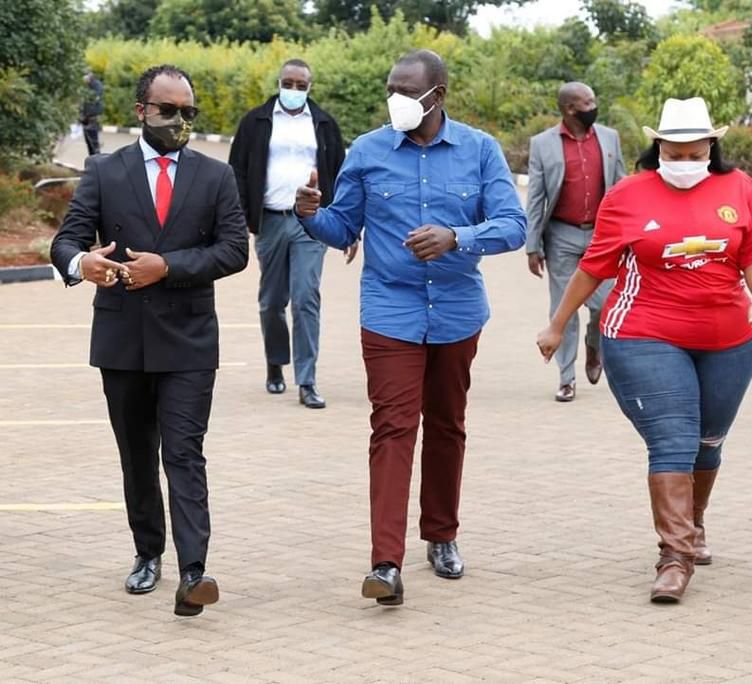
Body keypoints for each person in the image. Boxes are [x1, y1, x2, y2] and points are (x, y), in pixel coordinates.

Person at [294, 49, 526, 606]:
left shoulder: (479, 150)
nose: (395, 98)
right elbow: (343, 224)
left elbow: (514, 226)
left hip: (456, 312)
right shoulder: (369, 151)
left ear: (437, 95)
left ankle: (442, 535)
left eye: (407, 89)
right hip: (390, 312)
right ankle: (385, 562)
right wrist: (308, 214)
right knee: (393, 427)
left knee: (447, 425)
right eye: (390, 88)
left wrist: (458, 237)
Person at [537, 97, 752, 604]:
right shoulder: (628, 195)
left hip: (729, 338)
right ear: (659, 147)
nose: (686, 162)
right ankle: (674, 556)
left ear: (712, 146)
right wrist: (557, 325)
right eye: (676, 152)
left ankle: (693, 522)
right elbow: (595, 266)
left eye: (696, 153)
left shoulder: (739, 188)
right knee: (672, 440)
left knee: (707, 441)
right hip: (646, 333)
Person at [50, 64, 249, 617]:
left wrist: (170, 266)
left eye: (189, 112)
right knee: (138, 455)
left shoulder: (215, 177)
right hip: (123, 338)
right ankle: (147, 553)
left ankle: (194, 572)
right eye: (169, 111)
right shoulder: (103, 171)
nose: (180, 121)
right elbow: (67, 240)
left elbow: (235, 249)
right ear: (141, 111)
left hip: (188, 337)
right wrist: (78, 262)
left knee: (184, 453)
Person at [229, 58, 355, 408]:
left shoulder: (325, 124)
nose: (295, 90)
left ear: (310, 88)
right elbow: (236, 170)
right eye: (289, 83)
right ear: (279, 82)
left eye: (302, 85)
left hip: (311, 224)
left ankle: (307, 380)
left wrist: (346, 227)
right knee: (272, 302)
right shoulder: (255, 122)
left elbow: (342, 178)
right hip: (269, 221)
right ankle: (275, 364)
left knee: (305, 298)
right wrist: (238, 218)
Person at [525, 82, 626, 402]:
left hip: (603, 234)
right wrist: (532, 245)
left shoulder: (609, 138)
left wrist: (629, 234)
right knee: (563, 309)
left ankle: (594, 346)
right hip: (561, 235)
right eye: (587, 102)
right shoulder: (542, 144)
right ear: (569, 109)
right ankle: (566, 377)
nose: (593, 107)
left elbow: (622, 187)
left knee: (605, 304)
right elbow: (536, 197)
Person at [81, 71, 104, 156]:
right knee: (89, 143)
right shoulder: (87, 86)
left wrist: (86, 115)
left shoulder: (96, 85)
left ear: (89, 76)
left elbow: (93, 101)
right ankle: (92, 162)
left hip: (93, 118)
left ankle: (97, 164)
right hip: (86, 119)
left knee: (94, 143)